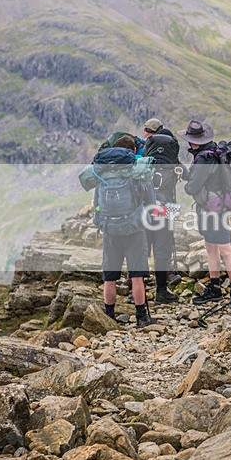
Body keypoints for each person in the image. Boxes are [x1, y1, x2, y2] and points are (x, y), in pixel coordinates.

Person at [92, 136, 156, 328]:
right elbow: (151, 201)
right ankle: (142, 318)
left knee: (110, 276)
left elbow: (96, 203)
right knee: (136, 275)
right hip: (134, 228)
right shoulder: (137, 171)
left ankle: (109, 317)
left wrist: (102, 222)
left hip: (110, 229)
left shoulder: (103, 172)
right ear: (133, 150)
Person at [180, 120, 231, 311]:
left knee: (224, 249)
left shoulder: (203, 158)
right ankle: (216, 288)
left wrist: (187, 183)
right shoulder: (213, 151)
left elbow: (192, 188)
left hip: (212, 211)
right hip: (218, 207)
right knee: (211, 247)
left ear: (192, 141)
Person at [140, 118, 182, 304]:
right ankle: (161, 291)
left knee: (143, 248)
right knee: (162, 249)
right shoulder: (173, 162)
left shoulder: (144, 161)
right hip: (167, 207)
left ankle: (137, 292)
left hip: (147, 207)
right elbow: (186, 175)